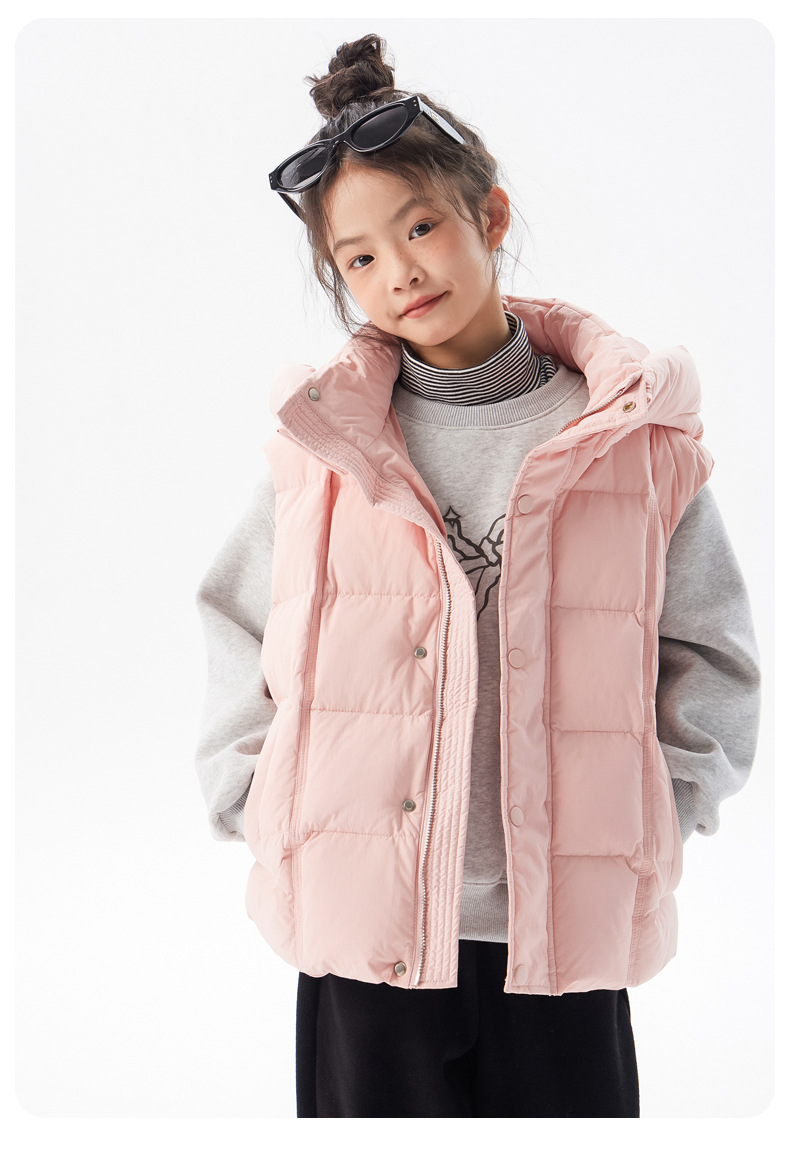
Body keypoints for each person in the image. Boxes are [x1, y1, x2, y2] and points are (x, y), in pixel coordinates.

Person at [194, 34, 762, 1118]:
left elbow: (709, 648)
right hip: (362, 924)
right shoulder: (326, 450)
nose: (400, 272)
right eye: (360, 258)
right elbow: (238, 622)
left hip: (562, 934)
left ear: (490, 219)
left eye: (420, 228)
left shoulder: (631, 439)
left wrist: (658, 807)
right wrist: (258, 798)